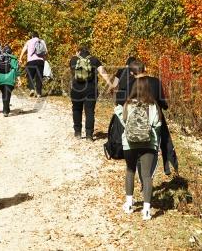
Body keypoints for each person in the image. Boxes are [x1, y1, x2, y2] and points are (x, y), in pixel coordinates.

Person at [115, 77, 163, 220]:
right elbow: (157, 124)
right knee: (147, 175)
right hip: (148, 143)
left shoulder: (128, 104)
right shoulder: (153, 105)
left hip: (129, 144)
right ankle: (146, 211)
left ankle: (129, 204)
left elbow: (124, 121)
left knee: (130, 170)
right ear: (148, 89)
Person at [131, 61, 177, 175]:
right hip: (156, 116)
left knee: (138, 145)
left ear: (132, 73)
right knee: (162, 141)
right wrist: (164, 106)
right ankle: (168, 166)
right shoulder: (156, 81)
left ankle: (140, 170)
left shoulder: (131, 83)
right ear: (145, 68)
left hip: (137, 119)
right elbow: (162, 102)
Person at [68, 46, 108, 140]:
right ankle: (89, 135)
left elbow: (73, 74)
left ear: (78, 51)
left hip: (77, 89)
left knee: (76, 109)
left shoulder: (73, 59)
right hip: (91, 89)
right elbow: (103, 73)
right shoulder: (94, 60)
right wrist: (112, 85)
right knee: (89, 112)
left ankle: (77, 133)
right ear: (89, 52)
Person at [19, 31, 47, 97]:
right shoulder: (42, 41)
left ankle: (32, 89)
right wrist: (45, 59)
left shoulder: (29, 41)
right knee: (39, 77)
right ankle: (39, 93)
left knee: (29, 76)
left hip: (31, 61)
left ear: (32, 36)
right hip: (40, 61)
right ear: (38, 36)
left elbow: (23, 50)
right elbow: (46, 51)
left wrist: (20, 58)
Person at [0, 45, 18, 116]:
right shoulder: (14, 59)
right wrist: (18, 79)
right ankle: (5, 110)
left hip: (0, 80)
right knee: (8, 94)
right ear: (11, 52)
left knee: (4, 94)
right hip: (10, 79)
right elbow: (16, 69)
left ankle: (6, 108)